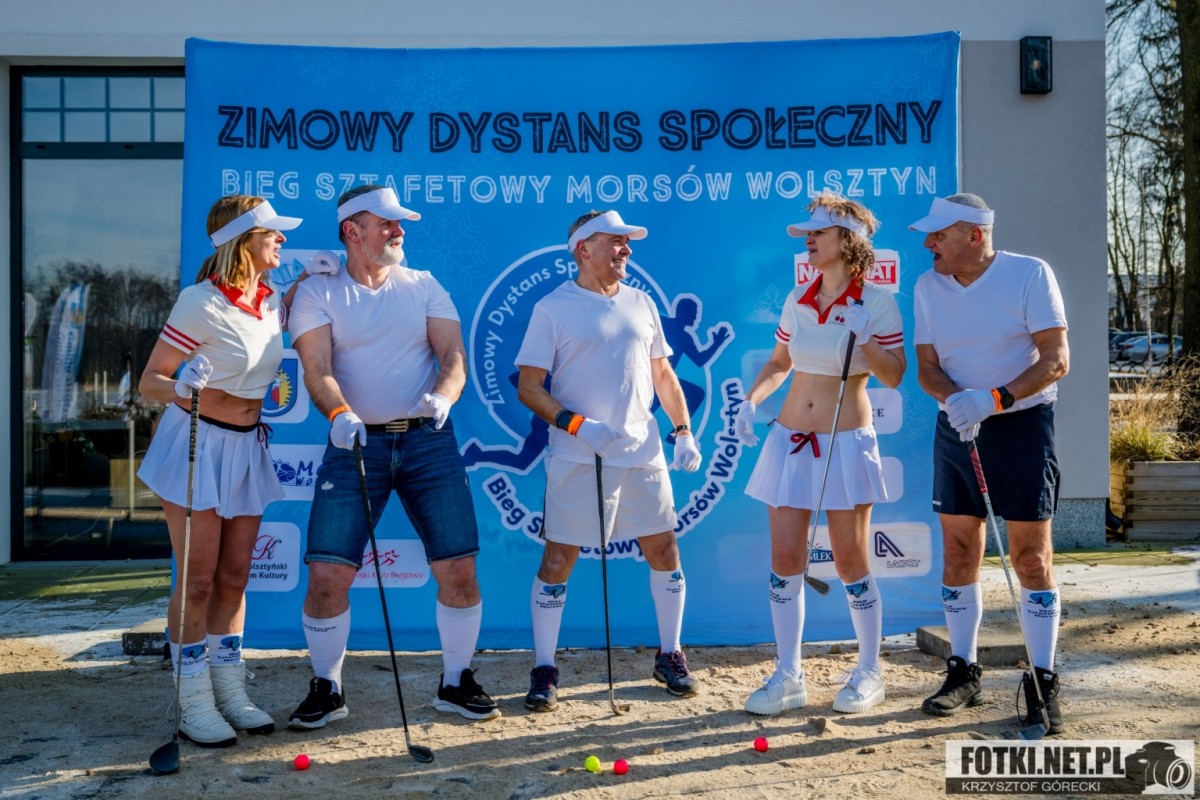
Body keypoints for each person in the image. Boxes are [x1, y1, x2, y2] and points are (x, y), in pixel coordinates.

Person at [285, 185, 499, 728]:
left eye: (399, 223)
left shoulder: (423, 284)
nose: (399, 230)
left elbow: (453, 356)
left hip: (428, 440)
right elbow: (316, 368)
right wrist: (340, 415)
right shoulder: (318, 292)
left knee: (459, 567)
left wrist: (443, 398)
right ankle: (327, 687)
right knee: (327, 574)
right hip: (354, 440)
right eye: (386, 223)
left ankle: (456, 681)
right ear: (352, 231)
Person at [515, 209, 704, 711]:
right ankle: (544, 666)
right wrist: (578, 425)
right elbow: (529, 387)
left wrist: (683, 431)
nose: (626, 249)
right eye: (615, 241)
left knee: (664, 550)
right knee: (559, 559)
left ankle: (670, 654)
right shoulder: (552, 308)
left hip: (643, 451)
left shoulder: (642, 302)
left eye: (627, 242)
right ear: (583, 249)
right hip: (578, 453)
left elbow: (663, 375)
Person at [138, 195, 302, 746]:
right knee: (199, 579)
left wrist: (317, 280)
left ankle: (229, 691)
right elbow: (150, 381)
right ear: (241, 239)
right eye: (271, 232)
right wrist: (180, 386)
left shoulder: (270, 300)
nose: (281, 239)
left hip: (247, 447)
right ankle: (192, 700)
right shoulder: (199, 301)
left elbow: (276, 322)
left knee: (234, 576)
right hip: (197, 443)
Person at [735, 192, 906, 716]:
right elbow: (779, 362)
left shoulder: (876, 302)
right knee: (785, 561)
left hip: (847, 443)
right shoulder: (798, 296)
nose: (808, 240)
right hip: (790, 440)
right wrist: (751, 401)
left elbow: (895, 375)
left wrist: (866, 337)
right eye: (807, 234)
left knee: (851, 560)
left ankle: (870, 671)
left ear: (847, 242)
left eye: (818, 233)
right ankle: (789, 675)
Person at [909, 194, 1069, 734]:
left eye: (939, 235)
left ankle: (1043, 681)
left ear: (975, 235)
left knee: (1031, 560)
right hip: (957, 424)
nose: (928, 244)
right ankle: (964, 671)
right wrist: (957, 400)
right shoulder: (928, 286)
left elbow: (1056, 359)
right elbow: (927, 366)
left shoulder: (1030, 274)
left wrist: (994, 399)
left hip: (1022, 426)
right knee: (958, 551)